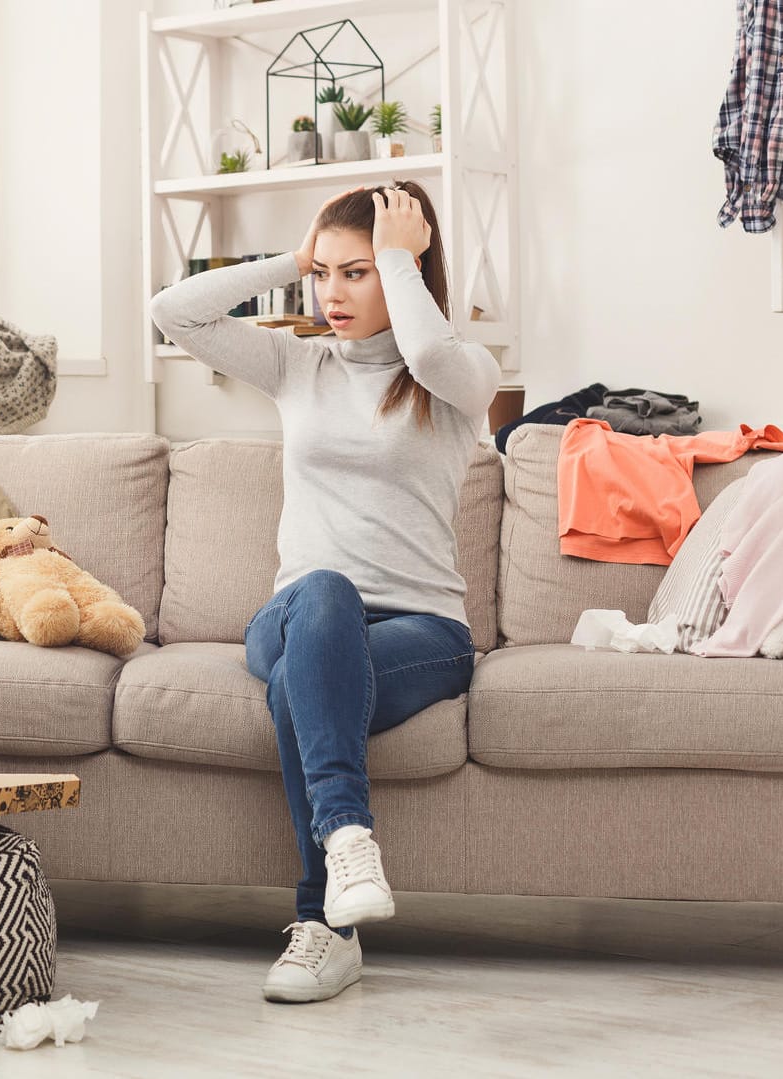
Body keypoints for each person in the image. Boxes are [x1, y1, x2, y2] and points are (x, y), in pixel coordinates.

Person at [147, 182, 498, 1003]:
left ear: (406, 273)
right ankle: (347, 840)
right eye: (323, 275)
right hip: (299, 608)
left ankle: (323, 929)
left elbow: (432, 352)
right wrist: (288, 258)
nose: (332, 295)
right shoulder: (296, 363)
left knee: (305, 690)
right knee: (324, 596)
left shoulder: (458, 381)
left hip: (423, 629)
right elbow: (173, 310)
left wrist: (401, 260)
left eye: (359, 273)